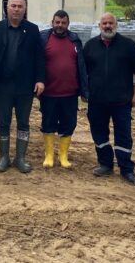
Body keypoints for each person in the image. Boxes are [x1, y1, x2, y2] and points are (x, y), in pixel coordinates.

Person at [0, 0, 45, 173]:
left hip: (25, 86)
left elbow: (39, 57)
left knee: (23, 123)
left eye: (20, 6)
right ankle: (4, 157)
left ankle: (20, 158)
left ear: (25, 9)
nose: (16, 9)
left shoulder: (32, 30)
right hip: (1, 86)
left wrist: (40, 79)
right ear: (7, 8)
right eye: (13, 6)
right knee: (3, 122)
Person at [83, 13, 135, 186]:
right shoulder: (90, 46)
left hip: (122, 101)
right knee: (99, 133)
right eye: (104, 23)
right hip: (97, 101)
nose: (108, 26)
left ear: (116, 25)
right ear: (99, 26)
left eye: (111, 23)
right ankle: (105, 164)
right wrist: (84, 91)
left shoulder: (128, 45)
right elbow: (82, 72)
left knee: (123, 136)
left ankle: (126, 169)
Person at [38, 10, 88, 169]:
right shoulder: (43, 39)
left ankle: (63, 156)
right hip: (49, 93)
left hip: (70, 93)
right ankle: (49, 155)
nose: (60, 25)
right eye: (57, 22)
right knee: (48, 123)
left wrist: (84, 90)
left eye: (63, 23)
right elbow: (36, 62)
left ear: (68, 24)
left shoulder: (75, 40)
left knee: (69, 123)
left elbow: (82, 66)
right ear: (52, 22)